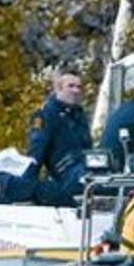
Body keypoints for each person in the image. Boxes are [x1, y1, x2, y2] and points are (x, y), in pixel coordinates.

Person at [28, 67, 92, 206]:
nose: (76, 91)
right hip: (65, 172)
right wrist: (28, 184)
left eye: (79, 87)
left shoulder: (79, 115)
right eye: (71, 86)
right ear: (59, 89)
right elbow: (37, 151)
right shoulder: (47, 114)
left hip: (85, 165)